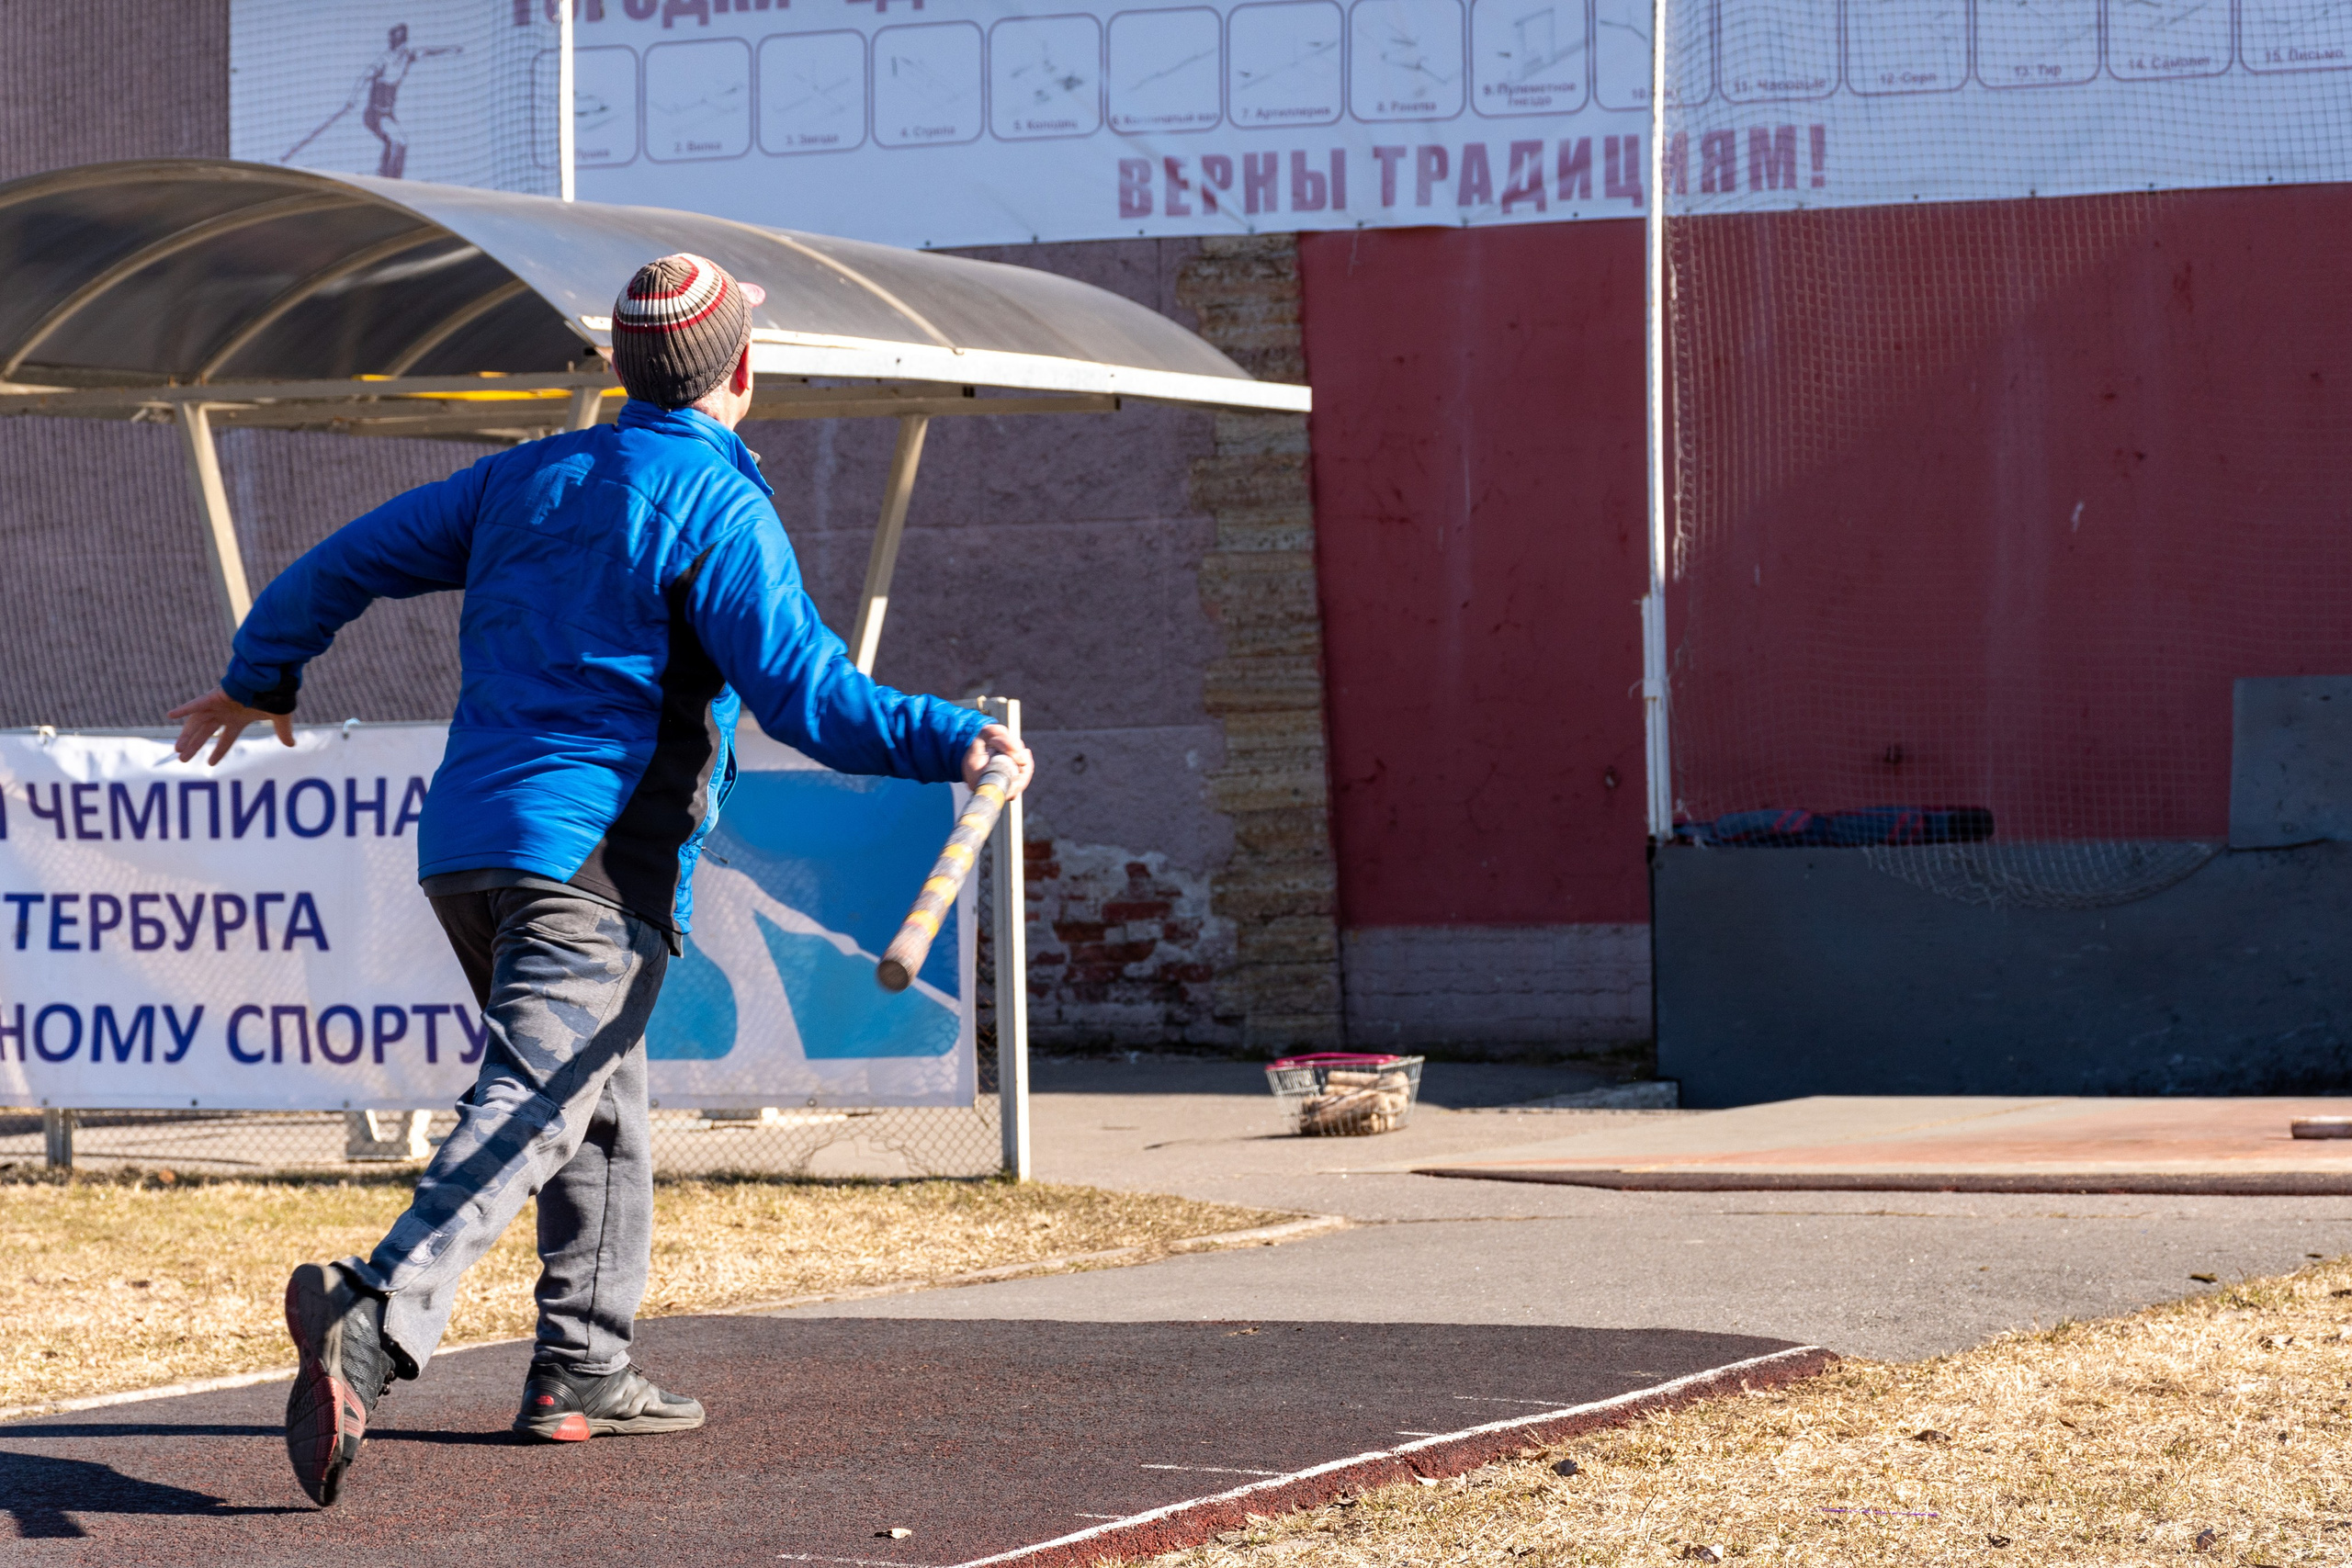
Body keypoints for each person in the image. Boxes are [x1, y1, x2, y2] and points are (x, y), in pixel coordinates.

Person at [165, 253, 1033, 1507]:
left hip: (470, 852)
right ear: (744, 370)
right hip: (590, 863)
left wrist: (262, 673)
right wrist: (957, 739)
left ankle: (583, 1369)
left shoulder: (527, 477)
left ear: (621, 369)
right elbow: (813, 700)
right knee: (537, 1101)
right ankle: (376, 1311)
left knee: (599, 1103)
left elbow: (339, 562)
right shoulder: (719, 507)